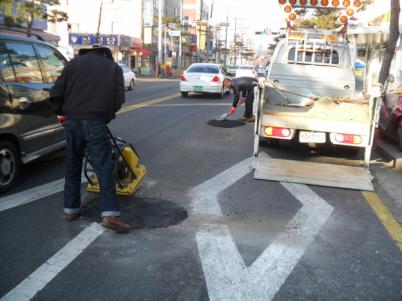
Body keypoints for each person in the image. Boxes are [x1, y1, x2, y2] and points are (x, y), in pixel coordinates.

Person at [50, 46, 129, 233]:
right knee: (103, 168)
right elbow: (119, 99)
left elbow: (55, 93)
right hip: (95, 121)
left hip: (72, 121)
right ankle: (110, 215)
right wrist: (106, 115)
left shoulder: (73, 64)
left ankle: (71, 210)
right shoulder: (113, 68)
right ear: (106, 54)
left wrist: (63, 113)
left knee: (72, 166)